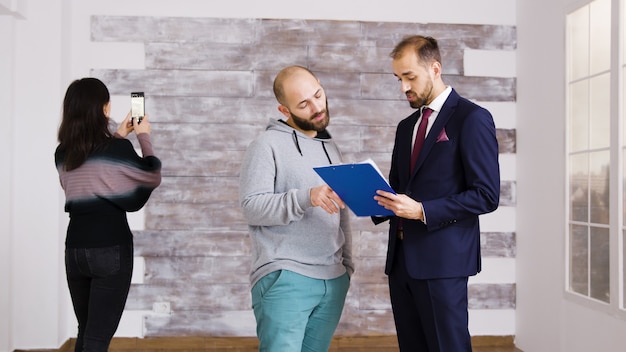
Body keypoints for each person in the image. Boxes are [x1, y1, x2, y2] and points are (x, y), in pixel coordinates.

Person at [373, 35, 500, 351]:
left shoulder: (472, 118)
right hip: (401, 262)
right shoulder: (406, 127)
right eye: (399, 79)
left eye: (410, 77)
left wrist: (421, 211)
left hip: (444, 263)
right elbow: (399, 188)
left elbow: (486, 194)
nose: (404, 87)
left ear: (435, 68)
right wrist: (365, 197)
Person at [239, 65, 354, 352]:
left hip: (332, 278)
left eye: (318, 95)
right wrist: (306, 197)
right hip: (286, 276)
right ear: (284, 109)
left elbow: (342, 213)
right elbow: (252, 207)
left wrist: (347, 267)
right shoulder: (266, 145)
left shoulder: (331, 148)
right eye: (303, 104)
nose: (317, 107)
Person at [55, 77, 162, 352]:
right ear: (104, 108)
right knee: (97, 339)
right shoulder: (116, 150)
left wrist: (118, 137)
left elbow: (91, 171)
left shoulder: (63, 154)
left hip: (75, 249)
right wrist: (143, 136)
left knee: (87, 330)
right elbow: (150, 175)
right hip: (109, 248)